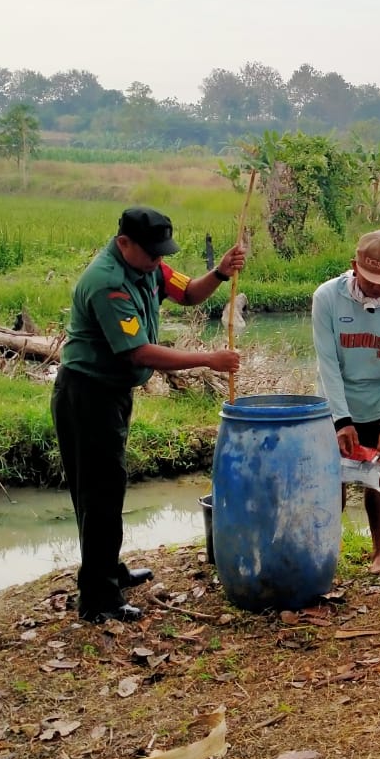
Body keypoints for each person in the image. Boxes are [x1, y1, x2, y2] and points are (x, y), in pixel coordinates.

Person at [53, 206, 245, 624]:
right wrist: (207, 359)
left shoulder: (149, 268)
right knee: (99, 493)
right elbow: (138, 352)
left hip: (113, 392)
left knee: (108, 486)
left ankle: (108, 571)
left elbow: (189, 292)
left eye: (162, 253)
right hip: (86, 394)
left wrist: (221, 273)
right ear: (124, 244)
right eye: (153, 253)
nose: (160, 261)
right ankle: (98, 598)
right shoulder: (107, 283)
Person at [312, 230, 380, 574]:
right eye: (372, 279)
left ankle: (379, 553)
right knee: (335, 478)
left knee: (375, 477)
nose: (378, 288)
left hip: (376, 401)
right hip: (333, 399)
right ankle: (328, 549)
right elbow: (326, 362)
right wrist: (340, 420)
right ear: (353, 267)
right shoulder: (327, 297)